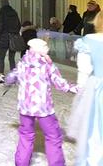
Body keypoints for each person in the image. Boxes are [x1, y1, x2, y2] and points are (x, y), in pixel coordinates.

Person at [5, 38, 78, 166]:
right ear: (38, 49)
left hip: (25, 108)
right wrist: (75, 88)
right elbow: (59, 83)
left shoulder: (23, 62)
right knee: (53, 137)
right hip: (44, 108)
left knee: (26, 136)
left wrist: (10, 79)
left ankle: (21, 163)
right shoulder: (46, 65)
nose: (47, 49)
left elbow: (11, 77)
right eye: (44, 47)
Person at [68, 11, 103, 166]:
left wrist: (81, 89)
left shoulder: (90, 40)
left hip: (97, 89)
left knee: (94, 129)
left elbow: (84, 68)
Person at [0, 0, 21, 85]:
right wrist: (14, 33)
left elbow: (0, 27)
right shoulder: (14, 12)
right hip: (13, 38)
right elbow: (18, 25)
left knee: (1, 57)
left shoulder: (2, 12)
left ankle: (1, 75)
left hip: (4, 38)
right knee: (11, 58)